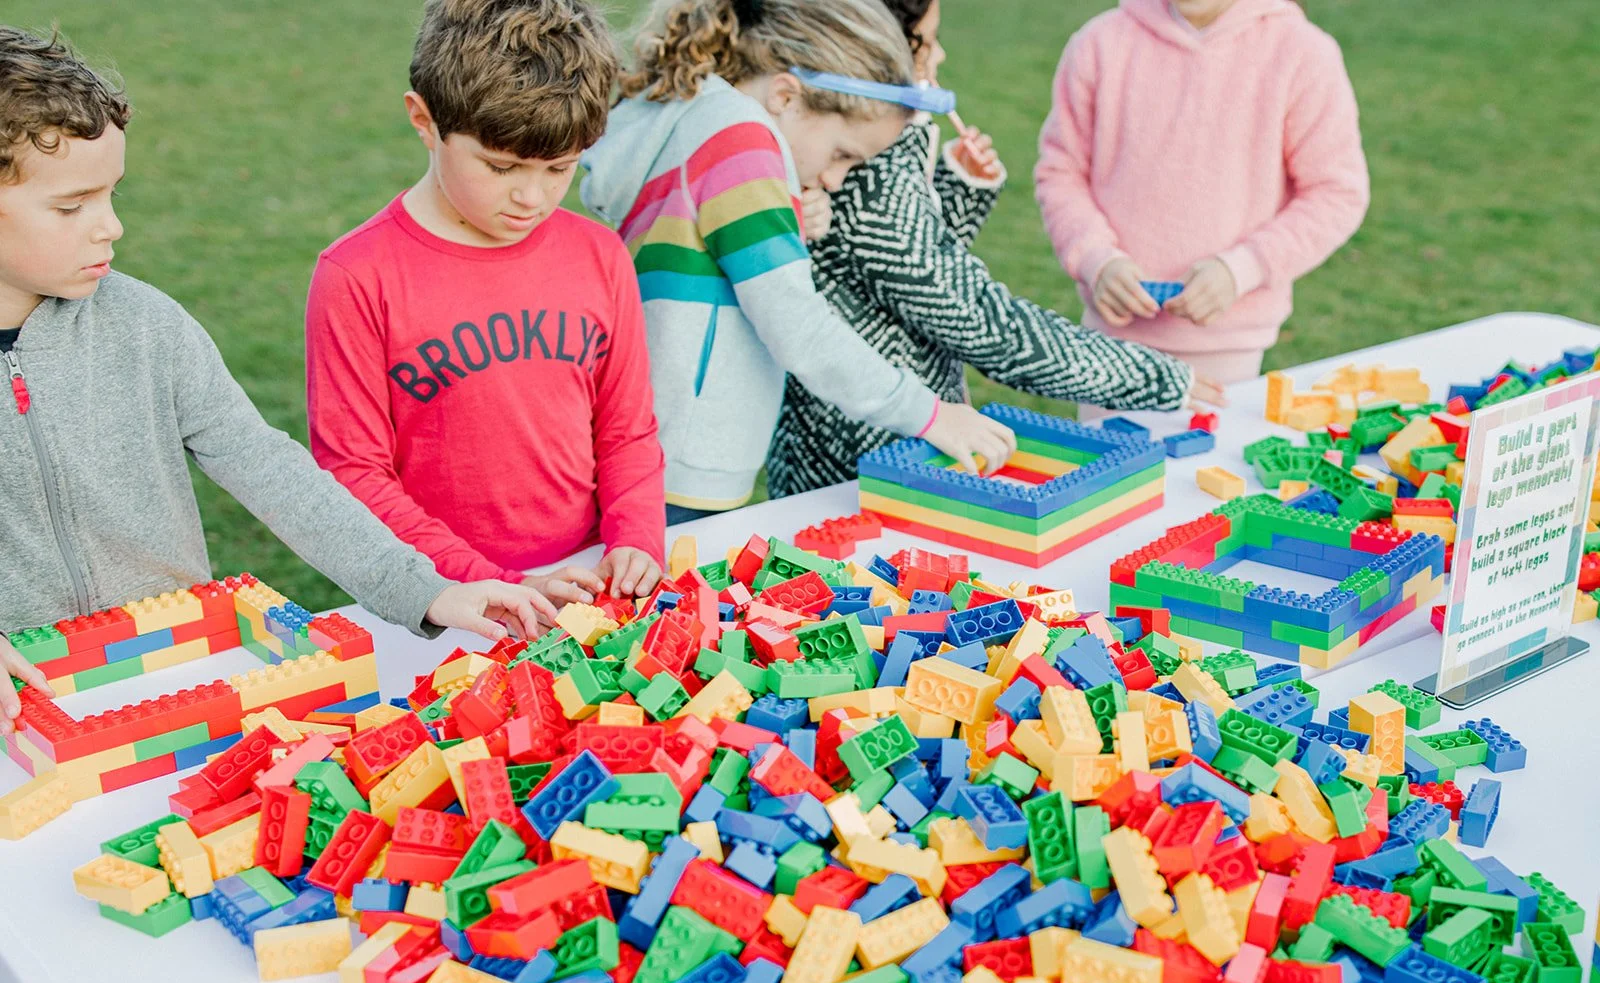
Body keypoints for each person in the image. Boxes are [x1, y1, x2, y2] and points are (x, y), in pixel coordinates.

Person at [0, 26, 553, 729]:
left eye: (111, 195)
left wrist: (425, 589)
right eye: (72, 207)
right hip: (21, 699)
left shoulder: (147, 326)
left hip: (176, 673)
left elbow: (270, 467)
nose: (110, 227)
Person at [580, 0, 1017, 522]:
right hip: (685, 460)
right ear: (786, 95)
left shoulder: (700, 114)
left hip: (652, 444)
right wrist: (930, 415)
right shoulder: (743, 140)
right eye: (841, 154)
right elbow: (798, 327)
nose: (835, 178)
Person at [765, 0, 1223, 497]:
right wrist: (1149, 375)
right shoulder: (866, 176)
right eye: (925, 41)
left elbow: (909, 283)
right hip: (859, 469)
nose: (937, 57)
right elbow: (986, 325)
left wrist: (956, 191)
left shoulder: (870, 150)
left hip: (886, 442)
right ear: (875, 44)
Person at [306, 0, 666, 600]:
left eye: (560, 169)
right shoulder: (356, 276)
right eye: (501, 167)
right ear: (424, 120)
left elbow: (627, 429)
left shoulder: (600, 257)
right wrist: (494, 584)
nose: (532, 197)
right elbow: (354, 473)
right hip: (441, 598)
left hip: (590, 578)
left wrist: (635, 539)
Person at [1036, 0, 1370, 384]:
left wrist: (1242, 268)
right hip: (1111, 339)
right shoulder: (1099, 42)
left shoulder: (1302, 52)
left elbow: (1336, 193)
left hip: (1228, 346)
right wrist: (1096, 260)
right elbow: (1061, 173)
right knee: (1098, 447)